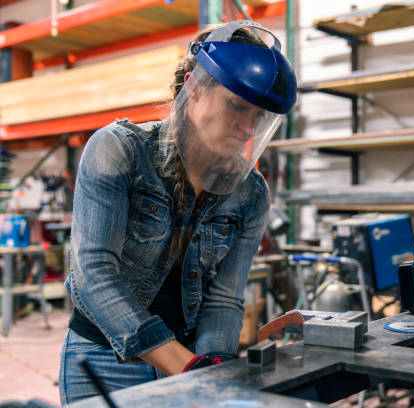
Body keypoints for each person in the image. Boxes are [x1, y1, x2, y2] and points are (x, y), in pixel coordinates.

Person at [58, 20, 296, 405]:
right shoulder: (119, 151)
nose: (247, 127)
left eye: (259, 116)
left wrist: (214, 362)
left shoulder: (250, 193)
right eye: (237, 105)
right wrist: (189, 366)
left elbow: (224, 297)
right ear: (194, 88)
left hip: (188, 357)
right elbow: (93, 276)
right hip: (106, 358)